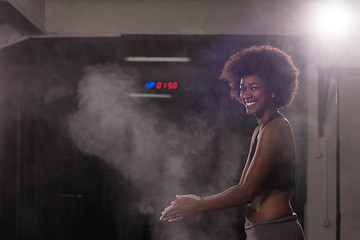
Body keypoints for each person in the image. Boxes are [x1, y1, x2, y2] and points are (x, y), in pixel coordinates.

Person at [159, 45, 305, 240]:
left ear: (273, 91)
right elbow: (242, 186)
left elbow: (246, 193)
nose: (246, 94)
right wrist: (198, 202)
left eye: (254, 88)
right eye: (242, 88)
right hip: (261, 231)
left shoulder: (276, 128)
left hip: (276, 231)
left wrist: (198, 204)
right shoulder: (260, 130)